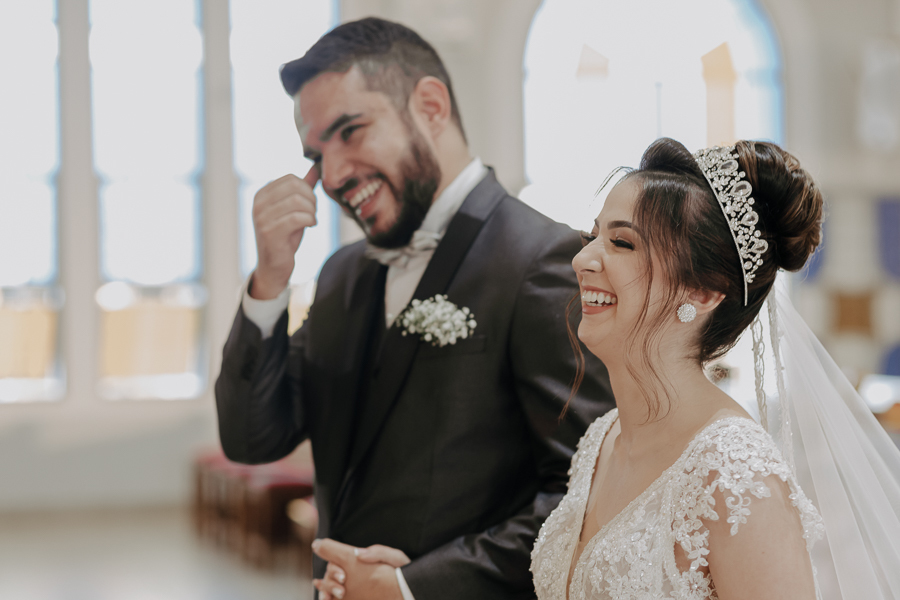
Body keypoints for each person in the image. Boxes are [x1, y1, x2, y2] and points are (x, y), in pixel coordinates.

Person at [214, 17, 614, 600]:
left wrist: (411, 586)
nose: (331, 176)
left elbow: (585, 501)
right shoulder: (342, 276)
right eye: (315, 154)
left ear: (430, 105)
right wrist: (270, 280)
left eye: (350, 131)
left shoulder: (544, 262)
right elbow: (253, 439)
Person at [531, 137, 900, 599]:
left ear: (703, 292)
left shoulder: (734, 475)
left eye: (621, 242)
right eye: (593, 237)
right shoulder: (599, 441)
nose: (582, 259)